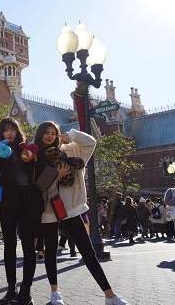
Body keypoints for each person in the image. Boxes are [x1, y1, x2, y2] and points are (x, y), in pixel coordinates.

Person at [35, 121, 129, 305]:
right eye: (46, 132)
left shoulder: (71, 150)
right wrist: (57, 176)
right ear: (39, 134)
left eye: (53, 133)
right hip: (48, 210)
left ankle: (110, 295)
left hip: (70, 208)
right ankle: (55, 293)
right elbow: (37, 187)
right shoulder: (35, 155)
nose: (49, 136)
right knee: (51, 251)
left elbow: (91, 143)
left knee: (88, 252)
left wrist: (71, 135)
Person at [0, 117, 43, 305]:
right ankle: (11, 289)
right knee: (9, 247)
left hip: (27, 203)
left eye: (12, 129)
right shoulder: (0, 150)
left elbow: (38, 171)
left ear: (17, 131)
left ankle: (26, 290)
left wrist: (32, 156)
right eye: (5, 130)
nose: (9, 133)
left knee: (28, 248)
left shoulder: (26, 148)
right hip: (8, 203)